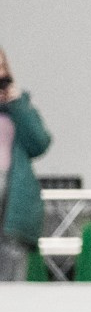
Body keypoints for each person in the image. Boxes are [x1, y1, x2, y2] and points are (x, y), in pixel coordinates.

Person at [0, 47, 51, 282]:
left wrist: (17, 104)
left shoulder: (19, 107)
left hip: (11, 201)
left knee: (11, 279)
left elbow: (39, 143)